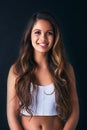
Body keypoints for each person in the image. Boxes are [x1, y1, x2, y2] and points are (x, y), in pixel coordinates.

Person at [7, 11, 79, 130]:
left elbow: (75, 111)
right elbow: (11, 115)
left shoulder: (65, 69)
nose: (43, 38)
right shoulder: (17, 70)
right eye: (37, 32)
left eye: (49, 33)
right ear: (29, 35)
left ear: (55, 37)